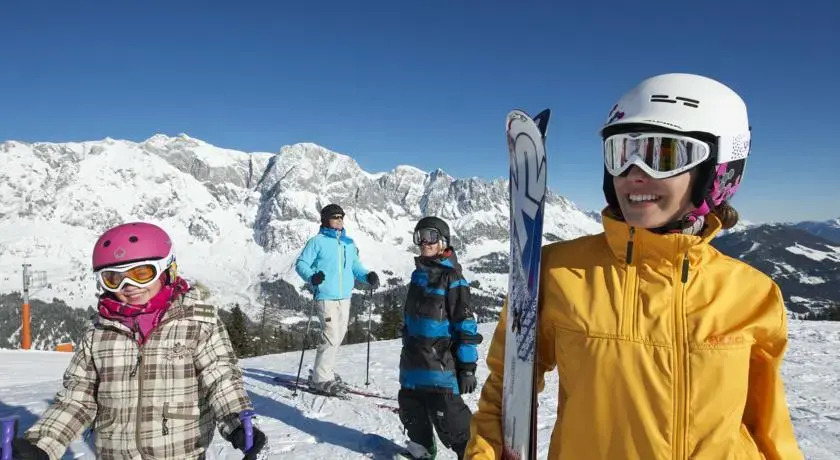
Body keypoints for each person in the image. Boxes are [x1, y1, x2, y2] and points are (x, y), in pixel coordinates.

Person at [467, 73, 804, 459]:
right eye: (621, 153)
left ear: (718, 170)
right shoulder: (558, 273)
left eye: (663, 155)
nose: (635, 173)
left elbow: (767, 427)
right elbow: (506, 394)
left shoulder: (753, 294)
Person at [10, 222, 266, 460]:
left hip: (181, 452)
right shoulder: (98, 332)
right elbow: (77, 398)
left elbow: (220, 377)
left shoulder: (197, 321)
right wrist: (42, 445)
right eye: (113, 278)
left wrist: (236, 422)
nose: (128, 285)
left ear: (167, 270)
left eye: (141, 273)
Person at [397, 216, 482, 460]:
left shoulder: (452, 278)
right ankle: (421, 450)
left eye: (431, 236)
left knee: (453, 422)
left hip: (439, 368)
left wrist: (467, 367)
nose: (425, 242)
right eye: (420, 236)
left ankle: (474, 455)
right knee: (411, 409)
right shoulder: (418, 275)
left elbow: (465, 324)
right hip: (412, 365)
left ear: (443, 241)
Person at [295, 203, 379, 395]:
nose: (340, 220)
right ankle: (320, 379)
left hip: (345, 296)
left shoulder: (349, 243)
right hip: (325, 296)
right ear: (326, 220)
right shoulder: (317, 242)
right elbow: (301, 264)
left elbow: (355, 266)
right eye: (335, 217)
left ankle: (325, 371)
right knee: (330, 335)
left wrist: (367, 276)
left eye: (341, 217)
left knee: (338, 335)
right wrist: (312, 277)